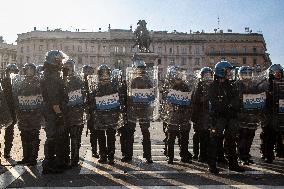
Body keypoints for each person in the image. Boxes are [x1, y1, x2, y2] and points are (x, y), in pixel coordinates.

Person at [207, 60, 245, 174]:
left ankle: (233, 164)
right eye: (228, 71)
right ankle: (212, 165)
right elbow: (212, 102)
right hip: (218, 117)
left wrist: (234, 105)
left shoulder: (231, 85)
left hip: (231, 117)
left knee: (231, 140)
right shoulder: (212, 86)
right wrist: (226, 107)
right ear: (221, 71)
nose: (229, 73)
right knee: (214, 141)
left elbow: (236, 98)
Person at [124, 56, 158, 163]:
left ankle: (147, 155)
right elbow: (128, 94)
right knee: (131, 132)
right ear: (135, 69)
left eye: (142, 68)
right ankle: (130, 155)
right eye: (139, 68)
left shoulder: (148, 80)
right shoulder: (132, 80)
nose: (141, 70)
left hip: (142, 109)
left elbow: (153, 95)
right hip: (134, 109)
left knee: (144, 132)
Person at [41, 50, 68, 174]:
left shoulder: (53, 73)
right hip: (53, 111)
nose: (61, 63)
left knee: (57, 137)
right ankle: (48, 164)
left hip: (54, 111)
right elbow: (53, 99)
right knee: (52, 137)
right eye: (60, 61)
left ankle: (57, 162)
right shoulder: (50, 76)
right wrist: (59, 114)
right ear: (54, 61)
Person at [161, 65, 193, 164]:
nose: (178, 77)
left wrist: (187, 109)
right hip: (172, 115)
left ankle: (184, 155)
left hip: (183, 114)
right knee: (171, 137)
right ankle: (170, 157)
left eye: (179, 75)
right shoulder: (168, 86)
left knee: (184, 137)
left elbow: (189, 99)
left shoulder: (185, 86)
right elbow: (164, 101)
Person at [235, 66, 267, 165]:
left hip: (253, 116)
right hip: (241, 116)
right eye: (245, 74)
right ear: (240, 75)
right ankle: (241, 156)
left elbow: (259, 97)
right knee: (242, 137)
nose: (247, 76)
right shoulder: (236, 85)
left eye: (249, 74)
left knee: (250, 136)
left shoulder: (254, 85)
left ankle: (247, 154)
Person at [90, 64, 122, 164]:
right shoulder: (95, 86)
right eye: (102, 74)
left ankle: (111, 156)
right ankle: (103, 155)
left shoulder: (114, 85)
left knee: (111, 137)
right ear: (99, 75)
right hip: (100, 116)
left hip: (111, 116)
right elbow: (91, 100)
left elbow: (119, 98)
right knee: (101, 136)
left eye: (106, 74)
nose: (104, 76)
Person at [13, 63, 43, 166]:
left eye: (31, 69)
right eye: (27, 69)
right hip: (23, 114)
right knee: (24, 136)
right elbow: (16, 95)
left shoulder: (38, 82)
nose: (29, 71)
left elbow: (41, 98)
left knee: (34, 136)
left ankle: (33, 158)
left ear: (34, 71)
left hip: (34, 114)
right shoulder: (20, 81)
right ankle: (26, 157)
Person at [63, 59, 85, 167]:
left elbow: (83, 95)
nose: (68, 69)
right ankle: (66, 158)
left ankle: (75, 159)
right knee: (65, 138)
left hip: (76, 113)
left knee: (75, 137)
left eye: (70, 67)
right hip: (65, 114)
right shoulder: (61, 80)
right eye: (66, 67)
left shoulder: (78, 80)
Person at [261, 64, 284, 163]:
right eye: (276, 72)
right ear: (271, 73)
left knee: (280, 134)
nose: (278, 74)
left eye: (279, 73)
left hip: (281, 113)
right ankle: (268, 155)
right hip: (269, 113)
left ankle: (280, 152)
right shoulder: (266, 84)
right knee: (269, 135)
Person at [191, 67, 214, 163]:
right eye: (206, 75)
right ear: (202, 76)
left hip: (209, 115)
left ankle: (207, 154)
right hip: (199, 115)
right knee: (199, 135)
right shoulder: (198, 86)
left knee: (208, 136)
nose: (208, 77)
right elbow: (195, 101)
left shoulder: (213, 86)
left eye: (209, 75)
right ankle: (198, 154)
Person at [0, 63, 19, 159]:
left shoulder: (17, 83)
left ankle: (7, 152)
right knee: (8, 132)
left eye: (14, 72)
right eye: (10, 71)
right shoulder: (3, 81)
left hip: (11, 110)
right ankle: (5, 153)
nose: (12, 73)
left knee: (9, 132)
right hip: (3, 109)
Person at [82, 65, 99, 158]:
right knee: (93, 131)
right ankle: (94, 150)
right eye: (87, 72)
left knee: (96, 131)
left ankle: (96, 150)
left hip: (95, 109)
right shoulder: (81, 83)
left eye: (90, 72)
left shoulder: (95, 82)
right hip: (88, 110)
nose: (88, 73)